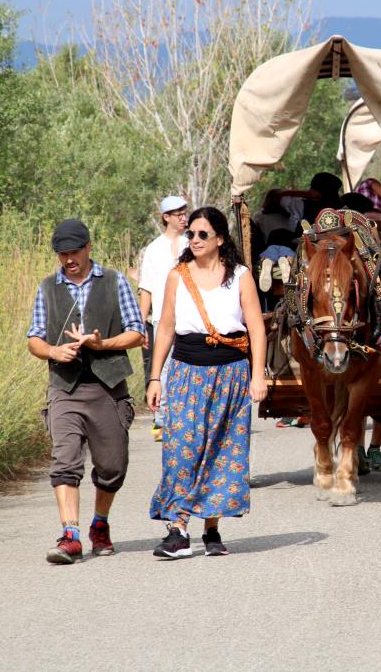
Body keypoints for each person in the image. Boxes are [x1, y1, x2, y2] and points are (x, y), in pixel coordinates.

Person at [146, 207, 268, 558]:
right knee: (182, 449)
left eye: (202, 235)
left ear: (220, 239)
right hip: (186, 373)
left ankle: (211, 530)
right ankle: (178, 528)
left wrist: (257, 374)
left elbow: (256, 327)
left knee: (223, 451)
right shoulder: (177, 276)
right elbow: (166, 327)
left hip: (231, 374)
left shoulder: (240, 275)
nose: (195, 240)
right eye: (191, 235)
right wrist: (155, 377)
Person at [26, 219, 146, 564]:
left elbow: (137, 333)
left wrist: (102, 343)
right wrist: (53, 351)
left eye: (74, 252)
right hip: (64, 387)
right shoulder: (47, 288)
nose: (68, 260)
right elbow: (33, 338)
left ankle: (100, 525)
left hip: (108, 387)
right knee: (65, 461)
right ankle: (70, 536)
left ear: (89, 247)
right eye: (62, 254)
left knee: (113, 468)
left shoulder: (115, 282)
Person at [139, 196, 189, 441]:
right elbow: (146, 288)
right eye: (177, 213)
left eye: (184, 212)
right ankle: (162, 420)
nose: (182, 216)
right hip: (162, 318)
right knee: (164, 369)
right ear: (166, 217)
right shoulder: (154, 249)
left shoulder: (193, 243)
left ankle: (188, 417)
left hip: (191, 318)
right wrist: (140, 324)